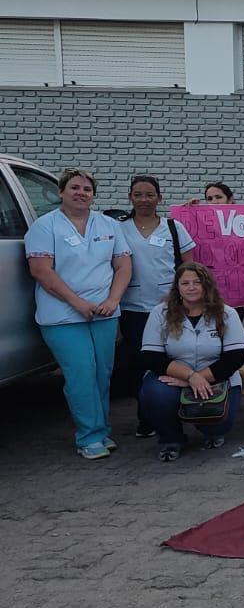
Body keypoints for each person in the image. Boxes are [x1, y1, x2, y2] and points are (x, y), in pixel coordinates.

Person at [25, 168, 133, 459]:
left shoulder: (108, 224)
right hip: (62, 316)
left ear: (93, 195)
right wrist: (77, 303)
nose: (81, 193)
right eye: (74, 187)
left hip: (104, 312)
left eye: (87, 189)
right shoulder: (45, 226)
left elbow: (123, 265)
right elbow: (41, 271)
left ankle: (100, 429)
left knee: (101, 374)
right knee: (81, 373)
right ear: (61, 192)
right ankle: (89, 436)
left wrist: (113, 299)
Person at [115, 176, 197, 439]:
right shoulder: (119, 228)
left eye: (150, 195)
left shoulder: (173, 227)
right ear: (130, 197)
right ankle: (147, 418)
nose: (144, 200)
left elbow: (188, 267)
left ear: (159, 198)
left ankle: (179, 412)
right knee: (141, 364)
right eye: (138, 194)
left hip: (169, 307)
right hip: (134, 308)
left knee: (174, 359)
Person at [138, 262, 244, 461]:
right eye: (185, 283)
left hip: (216, 377)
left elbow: (235, 358)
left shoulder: (227, 313)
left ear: (207, 286)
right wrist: (189, 376)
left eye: (197, 282)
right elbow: (150, 356)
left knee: (219, 424)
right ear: (177, 287)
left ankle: (212, 432)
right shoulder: (160, 313)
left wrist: (196, 379)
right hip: (173, 377)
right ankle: (171, 439)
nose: (191, 287)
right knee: (155, 395)